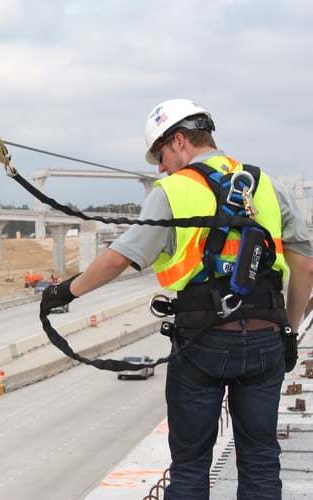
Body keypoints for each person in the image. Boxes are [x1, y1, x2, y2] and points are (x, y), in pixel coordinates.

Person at [41, 98, 313, 499]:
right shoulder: (269, 186)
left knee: (190, 468)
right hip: (265, 339)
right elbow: (306, 267)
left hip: (203, 341)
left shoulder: (174, 191)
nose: (160, 168)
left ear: (180, 141)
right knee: (259, 461)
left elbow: (120, 258)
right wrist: (288, 331)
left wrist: (63, 292)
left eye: (161, 155)